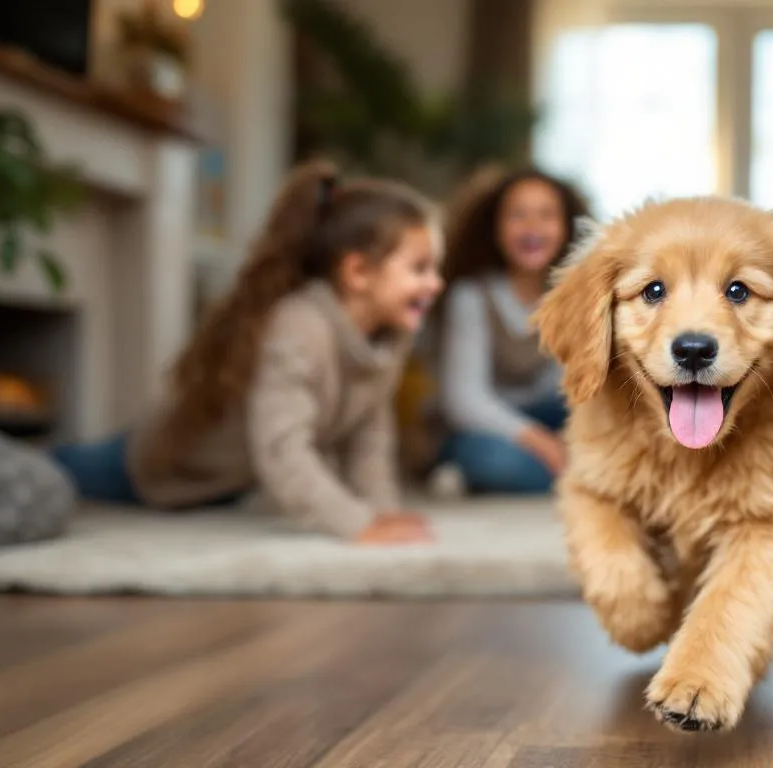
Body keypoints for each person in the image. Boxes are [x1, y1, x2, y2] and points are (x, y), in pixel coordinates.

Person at [50, 160, 445, 545]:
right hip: (158, 469)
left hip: (225, 484)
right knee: (54, 473)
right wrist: (354, 523)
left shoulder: (385, 342)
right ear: (357, 272)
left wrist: (381, 511)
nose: (436, 283)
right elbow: (282, 451)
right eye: (420, 268)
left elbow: (368, 436)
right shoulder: (300, 327)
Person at [433, 167, 589, 494]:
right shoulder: (471, 296)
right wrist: (541, 442)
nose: (533, 227)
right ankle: (582, 479)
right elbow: (464, 401)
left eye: (546, 215)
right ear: (495, 228)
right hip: (490, 427)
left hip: (551, 414)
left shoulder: (574, 294)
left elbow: (576, 388)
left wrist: (570, 436)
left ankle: (577, 474)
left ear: (565, 226)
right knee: (494, 461)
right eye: (518, 215)